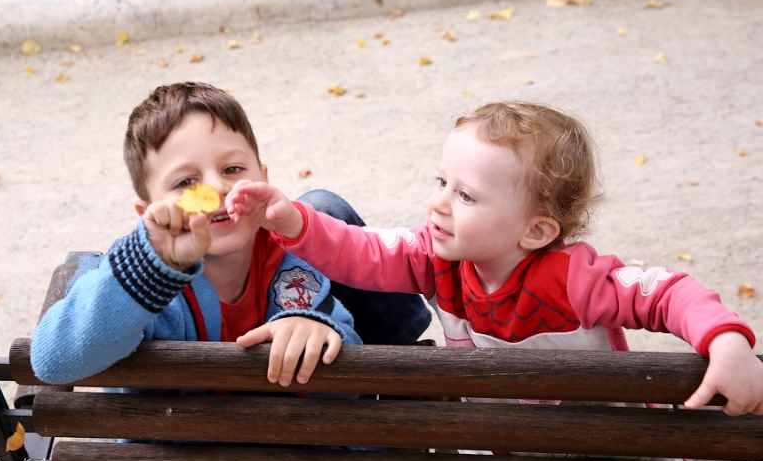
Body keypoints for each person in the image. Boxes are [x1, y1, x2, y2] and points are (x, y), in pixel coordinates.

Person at [227, 100, 763, 416]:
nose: (437, 202)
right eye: (442, 182)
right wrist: (294, 221)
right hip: (503, 444)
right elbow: (359, 252)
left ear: (536, 230)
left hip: (605, 446)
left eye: (465, 195)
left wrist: (725, 339)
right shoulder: (434, 258)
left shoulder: (573, 277)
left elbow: (665, 294)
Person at [30, 82, 430, 388]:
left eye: (233, 170)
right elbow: (52, 363)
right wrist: (152, 266)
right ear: (146, 211)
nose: (216, 189)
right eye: (186, 182)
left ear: (265, 179)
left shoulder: (295, 265)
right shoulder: (135, 282)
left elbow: (346, 388)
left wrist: (317, 329)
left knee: (324, 207)